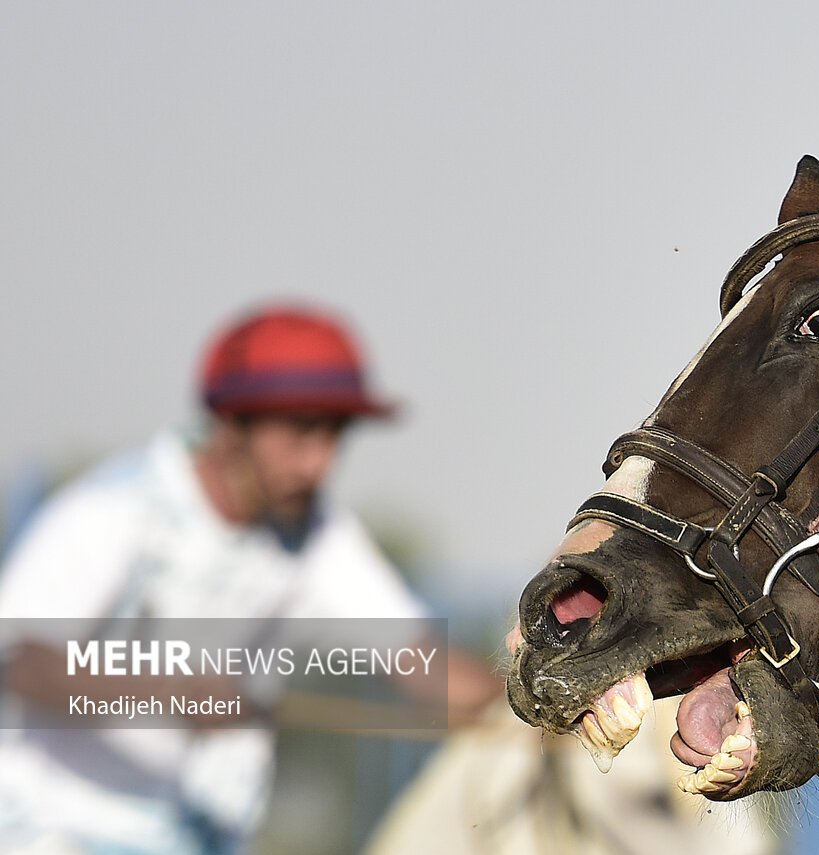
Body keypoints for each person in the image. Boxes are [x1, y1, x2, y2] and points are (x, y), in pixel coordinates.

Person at [0, 305, 500, 854]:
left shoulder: (316, 537)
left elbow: (424, 664)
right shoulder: (113, 511)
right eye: (302, 433)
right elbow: (24, 664)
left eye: (335, 436)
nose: (320, 464)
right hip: (48, 830)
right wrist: (168, 693)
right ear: (231, 423)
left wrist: (543, 699)